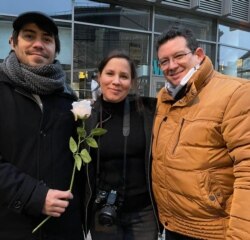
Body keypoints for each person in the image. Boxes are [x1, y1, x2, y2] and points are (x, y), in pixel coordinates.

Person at [152, 25, 250, 240]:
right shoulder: (165, 97)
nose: (172, 65)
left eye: (178, 56)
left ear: (198, 55)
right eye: (164, 61)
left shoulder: (235, 93)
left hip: (213, 230)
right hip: (173, 225)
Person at [0, 11, 84, 240]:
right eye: (29, 36)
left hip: (64, 228)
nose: (38, 44)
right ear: (13, 42)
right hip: (11, 226)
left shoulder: (69, 99)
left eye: (46, 39)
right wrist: (34, 196)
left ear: (56, 48)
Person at [83, 50, 162, 240]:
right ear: (99, 76)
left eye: (124, 76)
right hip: (103, 209)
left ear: (132, 82)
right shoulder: (85, 115)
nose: (116, 81)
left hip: (144, 212)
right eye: (110, 73)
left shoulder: (149, 111)